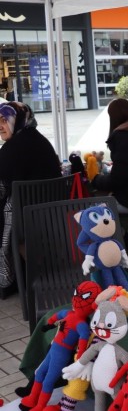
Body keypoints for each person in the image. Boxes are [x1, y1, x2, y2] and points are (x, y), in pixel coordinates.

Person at [0, 102, 61, 297]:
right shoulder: (42, 142)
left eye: (4, 121)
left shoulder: (9, 150)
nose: (0, 126)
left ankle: (8, 282)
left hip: (23, 220)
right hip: (51, 216)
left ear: (16, 120)